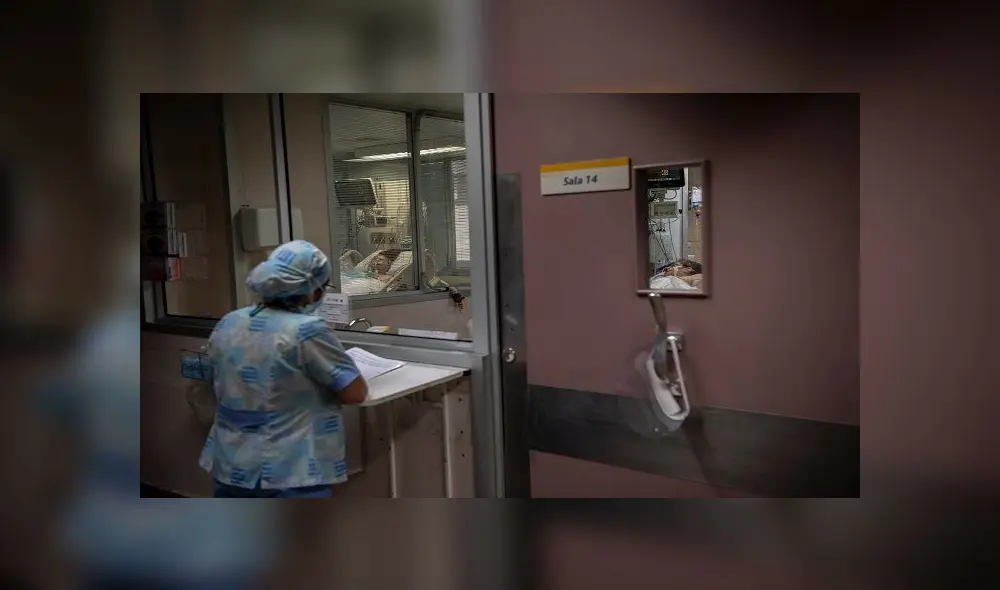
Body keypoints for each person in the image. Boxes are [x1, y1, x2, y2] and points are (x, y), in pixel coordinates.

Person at [199, 240, 368, 498]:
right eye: (323, 287)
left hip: (232, 465)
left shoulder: (230, 322)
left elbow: (214, 377)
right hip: (288, 470)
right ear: (312, 290)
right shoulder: (307, 330)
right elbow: (354, 393)